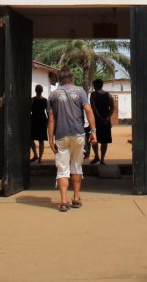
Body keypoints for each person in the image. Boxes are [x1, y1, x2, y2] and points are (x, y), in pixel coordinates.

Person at [48, 71, 97, 212]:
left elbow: (51, 119)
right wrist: (93, 132)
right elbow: (88, 110)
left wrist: (50, 139)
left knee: (62, 169)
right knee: (76, 166)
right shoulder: (80, 91)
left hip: (61, 136)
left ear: (60, 80)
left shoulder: (53, 95)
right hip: (78, 135)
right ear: (72, 79)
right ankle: (76, 198)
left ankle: (64, 202)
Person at [89, 78, 115, 165]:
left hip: (95, 120)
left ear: (96, 85)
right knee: (104, 141)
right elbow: (112, 107)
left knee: (93, 138)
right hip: (106, 121)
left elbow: (93, 107)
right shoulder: (108, 95)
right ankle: (102, 159)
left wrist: (99, 118)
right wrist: (107, 117)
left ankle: (97, 156)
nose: (94, 87)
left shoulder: (93, 94)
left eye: (94, 85)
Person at [29, 84, 49, 163]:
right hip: (42, 120)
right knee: (41, 140)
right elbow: (47, 112)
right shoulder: (45, 100)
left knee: (31, 139)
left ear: (35, 90)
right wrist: (47, 122)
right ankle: (40, 158)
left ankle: (35, 155)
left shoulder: (32, 100)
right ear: (42, 91)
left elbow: (29, 110)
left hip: (34, 120)